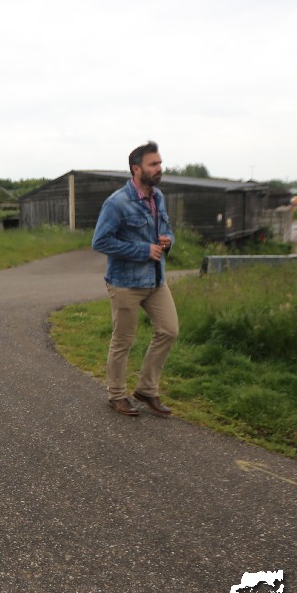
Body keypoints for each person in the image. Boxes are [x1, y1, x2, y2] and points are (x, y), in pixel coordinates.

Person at [91, 140, 179, 418]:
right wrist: (143, 250)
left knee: (169, 330)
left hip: (155, 280)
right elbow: (100, 241)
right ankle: (117, 395)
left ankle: (147, 389)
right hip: (125, 283)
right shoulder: (117, 203)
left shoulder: (158, 197)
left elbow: (167, 230)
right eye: (153, 164)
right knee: (123, 341)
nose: (159, 168)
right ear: (136, 169)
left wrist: (168, 241)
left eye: (160, 163)